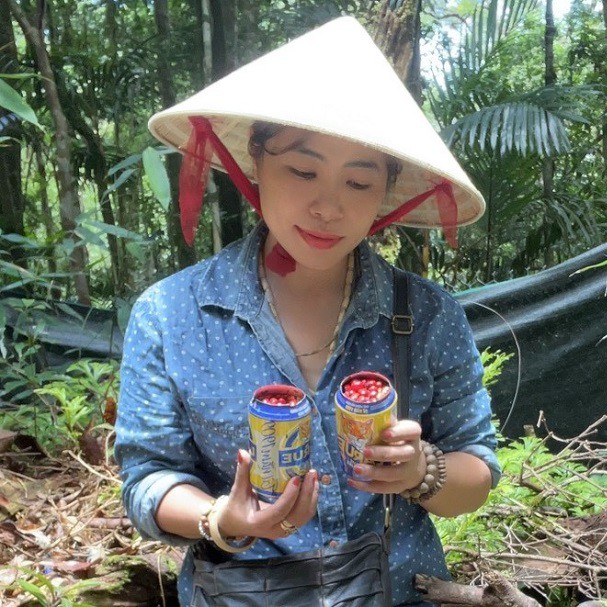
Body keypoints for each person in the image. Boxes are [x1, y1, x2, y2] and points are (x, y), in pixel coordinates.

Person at [114, 16, 501, 607]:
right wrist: (222, 518)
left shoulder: (426, 315)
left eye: (359, 183)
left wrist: (422, 471)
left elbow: (476, 470)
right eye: (302, 170)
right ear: (256, 161)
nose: (328, 207)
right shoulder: (172, 314)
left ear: (384, 193)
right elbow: (148, 478)